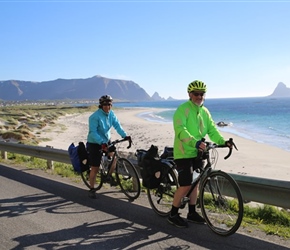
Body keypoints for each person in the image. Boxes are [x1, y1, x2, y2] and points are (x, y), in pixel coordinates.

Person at [168, 80, 233, 228]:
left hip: (199, 152)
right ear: (190, 95)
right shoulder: (182, 109)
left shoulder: (205, 112)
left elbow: (212, 130)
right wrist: (194, 142)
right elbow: (180, 130)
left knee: (196, 183)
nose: (199, 96)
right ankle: (173, 214)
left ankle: (192, 213)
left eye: (201, 94)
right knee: (185, 185)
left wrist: (223, 142)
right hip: (184, 153)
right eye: (196, 94)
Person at [87, 94, 131, 199]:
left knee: (114, 156)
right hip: (94, 142)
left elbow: (117, 126)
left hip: (106, 140)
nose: (108, 107)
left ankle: (109, 176)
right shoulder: (94, 117)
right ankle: (92, 189)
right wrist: (101, 142)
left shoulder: (111, 114)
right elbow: (93, 132)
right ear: (101, 105)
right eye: (105, 104)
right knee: (95, 168)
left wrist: (125, 135)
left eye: (109, 104)